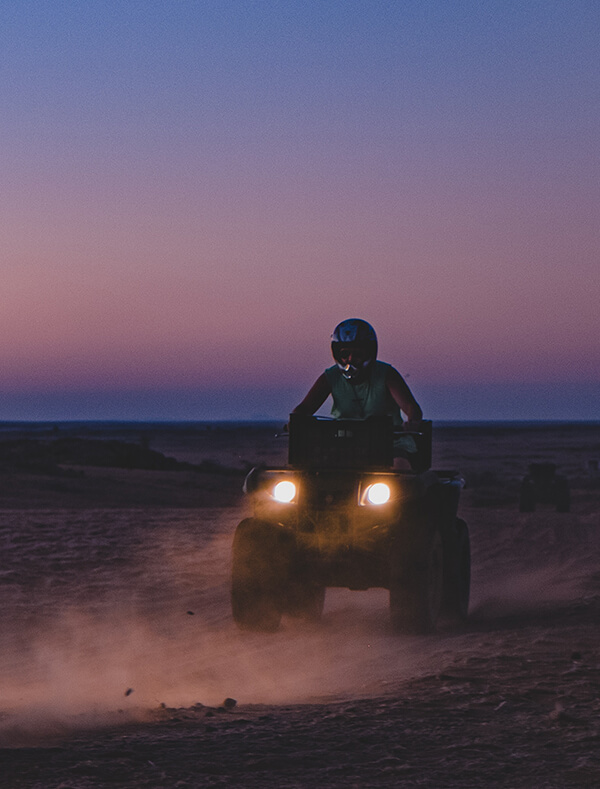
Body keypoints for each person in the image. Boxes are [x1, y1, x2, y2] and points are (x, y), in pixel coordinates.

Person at [292, 319, 423, 449]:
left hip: (389, 441)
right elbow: (305, 408)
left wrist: (412, 421)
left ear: (369, 352)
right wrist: (295, 420)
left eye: (358, 354)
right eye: (345, 353)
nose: (350, 359)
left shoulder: (387, 374)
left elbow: (410, 406)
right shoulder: (331, 376)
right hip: (344, 444)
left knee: (399, 464)